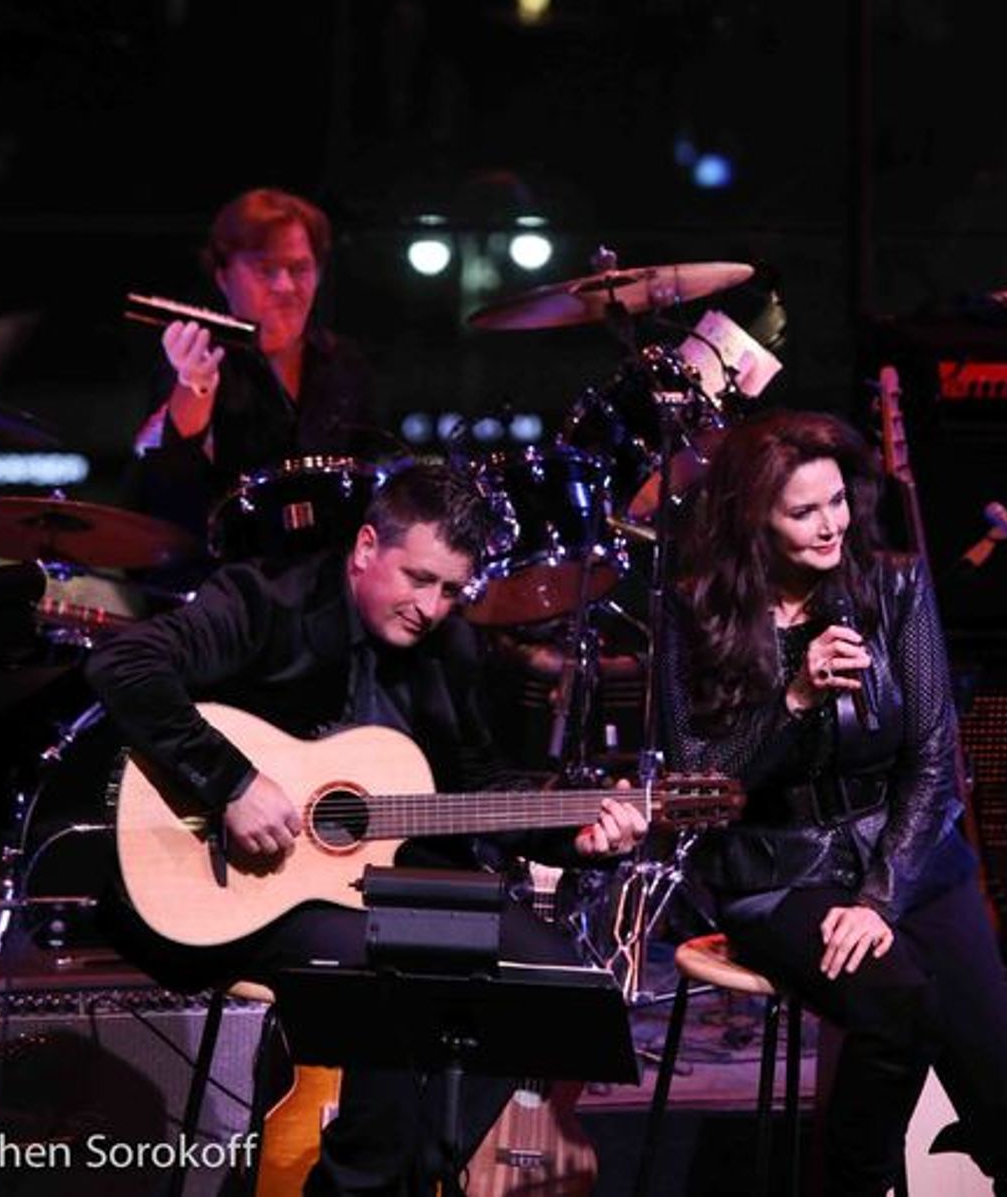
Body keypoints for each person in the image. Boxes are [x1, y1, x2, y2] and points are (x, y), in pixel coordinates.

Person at [84, 458, 647, 1195]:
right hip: (229, 882)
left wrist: (572, 833)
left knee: (558, 985)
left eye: (450, 589)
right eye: (418, 577)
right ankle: (359, 1182)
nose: (432, 606)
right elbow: (126, 665)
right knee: (392, 977)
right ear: (364, 547)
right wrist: (234, 783)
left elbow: (477, 789)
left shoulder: (450, 647)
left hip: (375, 886)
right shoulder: (266, 600)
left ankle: (408, 1177)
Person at [657, 409, 1007, 1195]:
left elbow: (932, 755)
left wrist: (880, 897)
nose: (831, 526)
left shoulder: (894, 583)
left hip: (907, 857)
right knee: (896, 1000)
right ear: (755, 519)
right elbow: (699, 787)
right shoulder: (698, 610)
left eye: (837, 502)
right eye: (803, 511)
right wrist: (789, 700)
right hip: (779, 868)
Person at [124, 186, 385, 589]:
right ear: (223, 277)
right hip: (223, 591)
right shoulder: (195, 359)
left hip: (331, 592)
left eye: (299, 268)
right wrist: (195, 387)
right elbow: (169, 478)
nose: (284, 286)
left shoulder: (344, 363)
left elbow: (380, 479)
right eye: (265, 269)